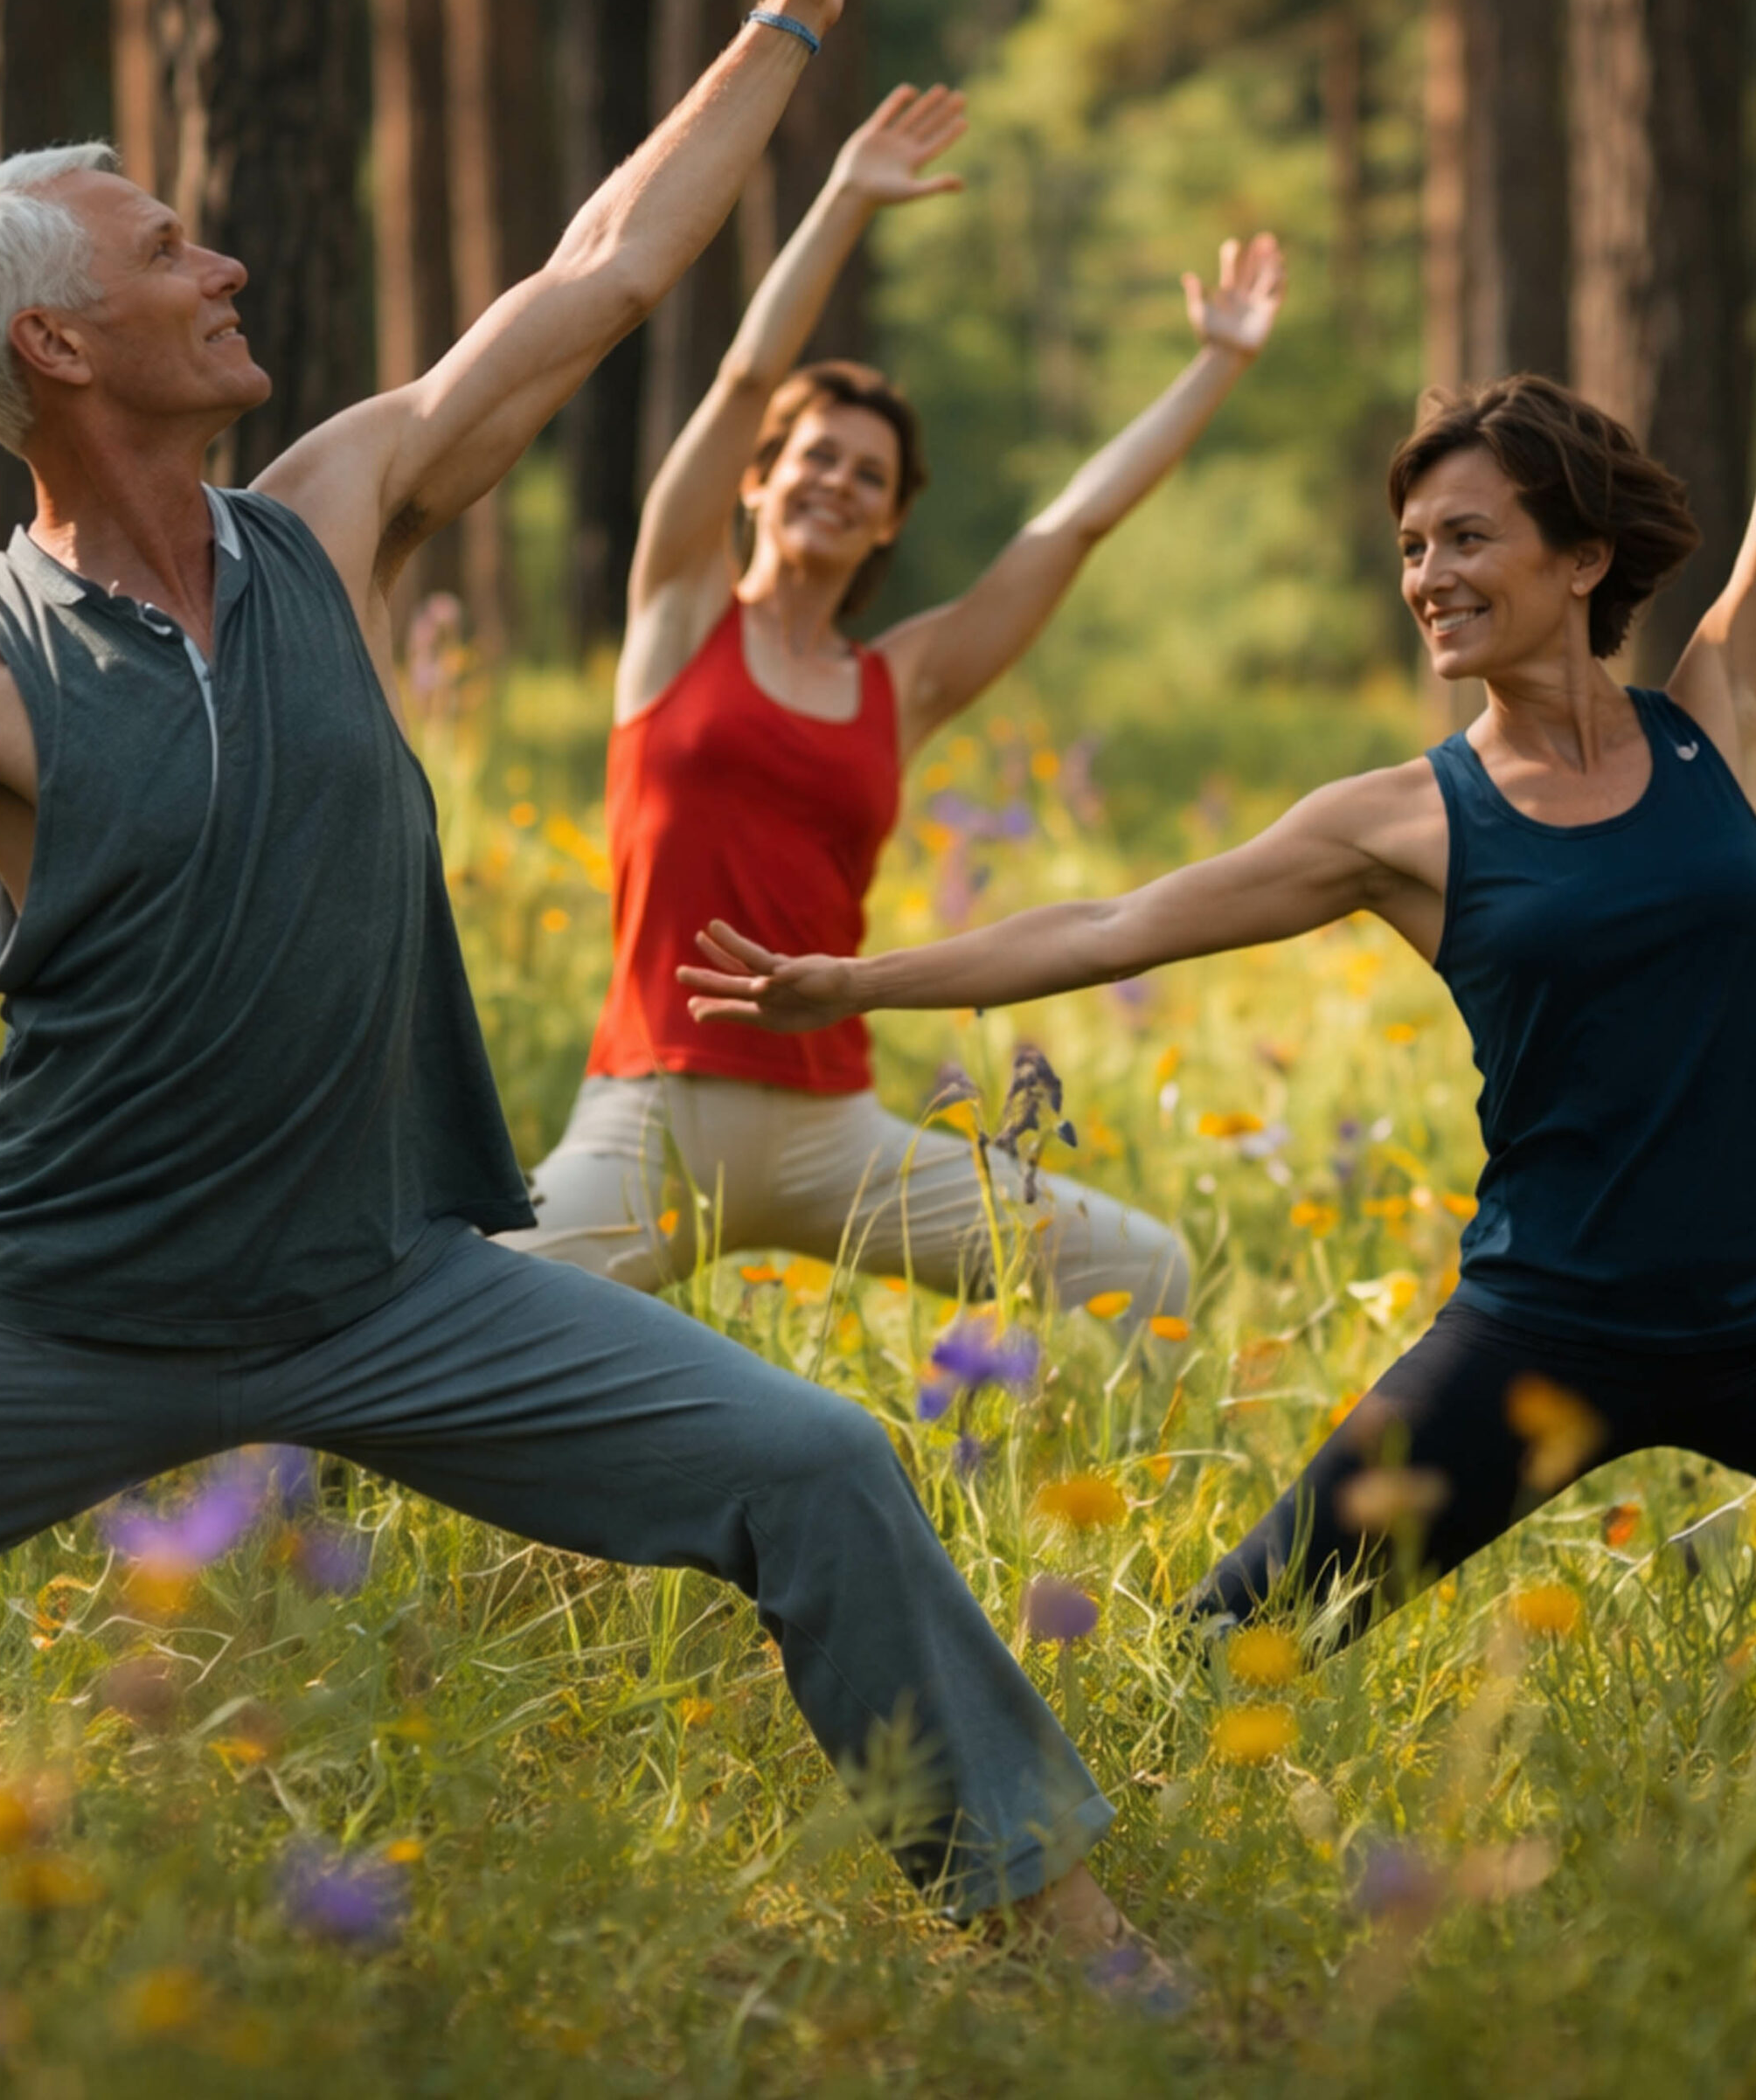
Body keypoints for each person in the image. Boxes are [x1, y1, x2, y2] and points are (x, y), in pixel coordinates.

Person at [0, 0, 1137, 1947]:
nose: (228, 263)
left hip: (386, 1288)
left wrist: (788, 20)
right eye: (167, 248)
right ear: (56, 337)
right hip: (54, 1313)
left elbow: (604, 267)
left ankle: (1087, 1967)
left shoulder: (331, 516)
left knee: (815, 1462)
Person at [679, 372, 1756, 1649]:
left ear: (1583, 557)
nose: (1429, 577)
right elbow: (1111, 927)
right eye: (1412, 548)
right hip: (1551, 1315)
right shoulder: (1401, 821)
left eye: (1468, 537)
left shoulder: (1712, 721)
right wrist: (855, 983)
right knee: (1239, 1637)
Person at [502, 81, 1285, 1321]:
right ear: (760, 480)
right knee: (466, 1318)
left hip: (833, 1132)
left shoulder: (899, 683)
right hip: (656, 1109)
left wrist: (1216, 368)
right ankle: (290, 1495)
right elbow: (753, 369)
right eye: (814, 456)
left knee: (1147, 1273)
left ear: (892, 519)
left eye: (868, 476)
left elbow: (1070, 527)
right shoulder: (678, 612)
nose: (836, 482)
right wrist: (845, 200)